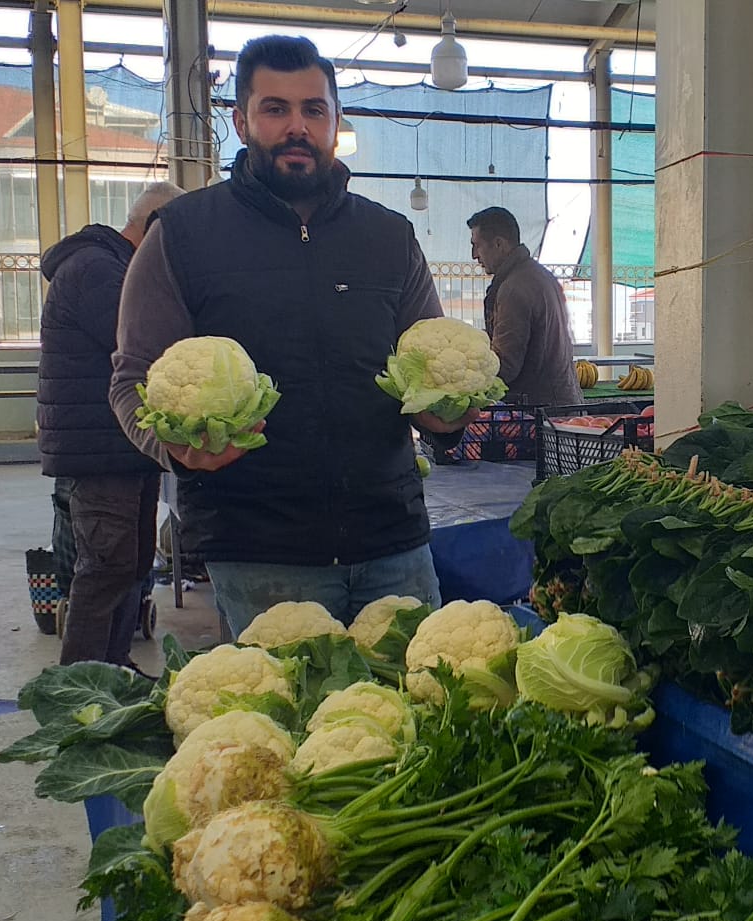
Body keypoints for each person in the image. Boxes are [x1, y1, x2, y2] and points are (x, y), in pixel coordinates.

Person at [109, 34, 473, 630]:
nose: (296, 126)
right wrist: (174, 448)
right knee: (284, 716)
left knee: (417, 712)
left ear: (334, 120)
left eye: (313, 109)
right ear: (241, 120)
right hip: (259, 551)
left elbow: (428, 370)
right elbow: (130, 381)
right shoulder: (182, 234)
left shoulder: (389, 238)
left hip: (393, 539)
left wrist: (447, 418)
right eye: (275, 109)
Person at [39, 181, 185, 669]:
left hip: (125, 444)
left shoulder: (113, 266)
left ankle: (114, 667)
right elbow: (148, 347)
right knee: (105, 568)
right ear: (154, 230)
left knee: (134, 564)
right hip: (101, 447)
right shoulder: (98, 270)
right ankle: (80, 682)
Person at [467, 206, 581, 407]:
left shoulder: (513, 289)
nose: (474, 255)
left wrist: (465, 370)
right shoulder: (541, 275)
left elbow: (505, 366)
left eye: (477, 245)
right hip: (562, 402)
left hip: (538, 413)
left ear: (499, 244)